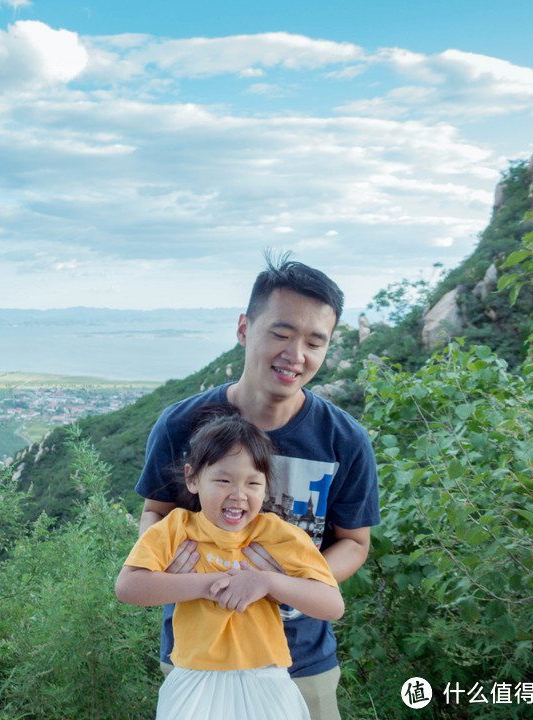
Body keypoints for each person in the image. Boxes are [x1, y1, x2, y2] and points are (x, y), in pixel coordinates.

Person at [134, 254, 380, 720]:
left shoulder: (344, 439)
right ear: (245, 328)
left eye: (314, 341)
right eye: (282, 334)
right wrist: (173, 566)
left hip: (301, 659)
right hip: (198, 656)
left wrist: (281, 585)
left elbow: (354, 543)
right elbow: (155, 512)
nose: (296, 355)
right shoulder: (181, 423)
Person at [117, 406, 344, 720]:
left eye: (253, 484)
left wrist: (266, 582)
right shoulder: (177, 528)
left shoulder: (277, 534)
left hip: (266, 676)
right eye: (223, 480)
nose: (239, 495)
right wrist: (210, 585)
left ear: (266, 487)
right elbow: (128, 587)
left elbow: (332, 605)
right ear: (193, 478)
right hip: (194, 675)